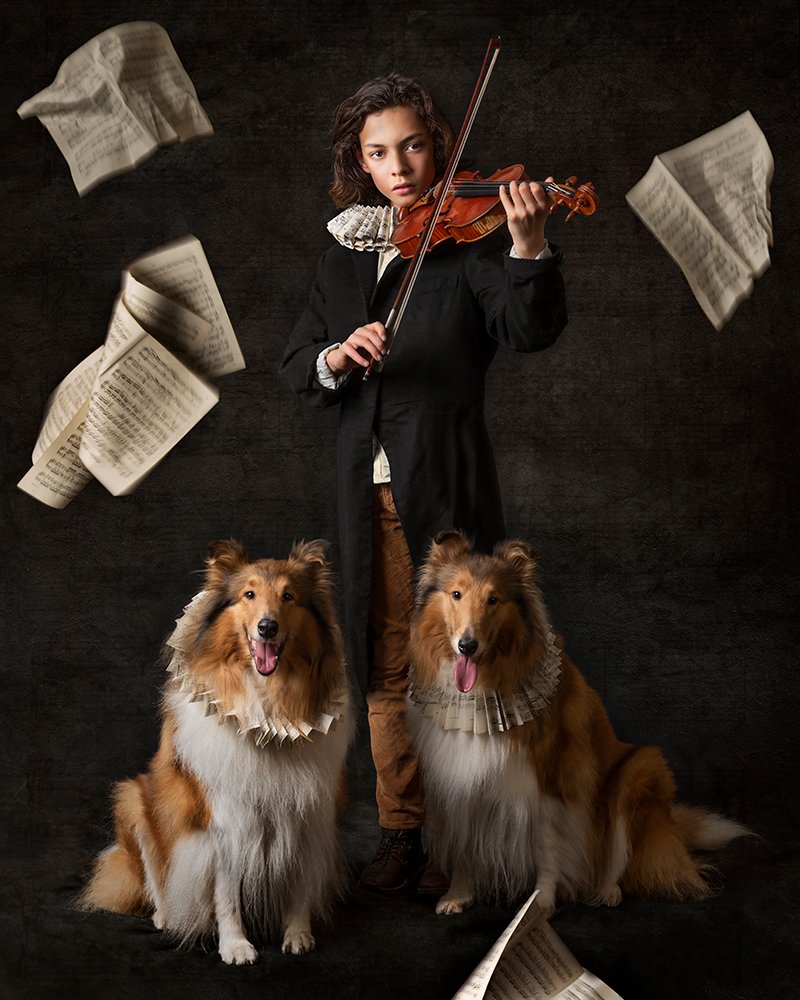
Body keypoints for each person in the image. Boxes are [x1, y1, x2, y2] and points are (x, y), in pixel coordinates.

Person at [280, 72, 567, 894]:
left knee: (465, 667)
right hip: (361, 494)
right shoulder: (345, 254)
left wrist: (528, 247)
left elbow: (527, 328)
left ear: (438, 144)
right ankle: (402, 832)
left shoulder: (472, 243)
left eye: (412, 145)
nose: (398, 165)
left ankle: (471, 833)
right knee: (382, 667)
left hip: (442, 487)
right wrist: (337, 355)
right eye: (378, 152)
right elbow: (298, 360)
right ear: (359, 163)